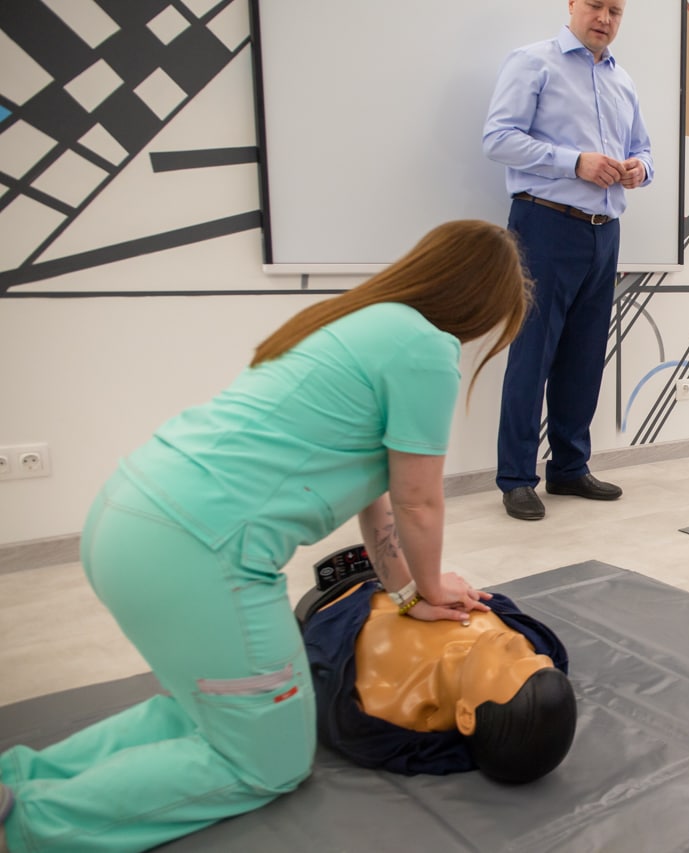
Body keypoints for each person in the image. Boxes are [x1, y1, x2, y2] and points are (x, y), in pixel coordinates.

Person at [0, 220, 530, 853]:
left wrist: (410, 593)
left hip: (129, 514)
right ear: (480, 306)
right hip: (196, 548)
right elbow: (419, 501)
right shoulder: (426, 347)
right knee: (267, 761)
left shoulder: (357, 320)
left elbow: (380, 498)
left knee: (195, 711)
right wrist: (434, 586)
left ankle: (17, 782)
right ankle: (27, 826)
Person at [483, 0, 654, 521]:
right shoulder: (532, 61)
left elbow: (645, 151)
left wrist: (638, 170)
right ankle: (516, 478)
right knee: (531, 353)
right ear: (573, 6)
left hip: (605, 232)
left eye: (615, 10)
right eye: (595, 5)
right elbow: (498, 139)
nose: (605, 18)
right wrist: (574, 162)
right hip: (544, 223)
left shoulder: (623, 81)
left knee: (584, 356)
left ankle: (569, 467)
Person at [299, 573, 576, 784]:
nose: (517, 642)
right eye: (533, 655)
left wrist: (406, 585)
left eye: (509, 665)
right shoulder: (529, 641)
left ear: (466, 716)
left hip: (340, 592)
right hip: (405, 571)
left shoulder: (380, 697)